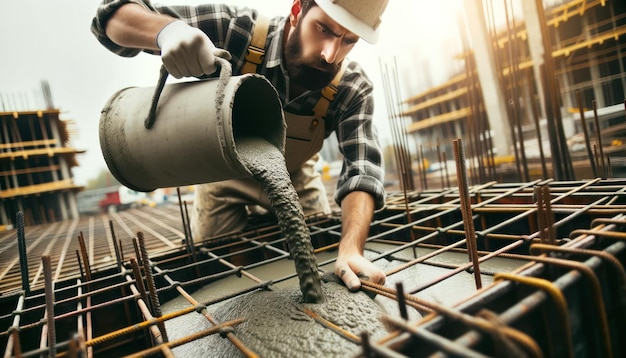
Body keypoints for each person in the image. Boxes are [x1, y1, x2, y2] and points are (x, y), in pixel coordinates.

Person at [91, 0, 388, 291]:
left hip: (294, 177)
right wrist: (167, 31)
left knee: (317, 248)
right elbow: (111, 17)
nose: (329, 54)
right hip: (222, 171)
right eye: (323, 29)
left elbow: (361, 171)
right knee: (214, 268)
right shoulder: (238, 32)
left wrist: (350, 248)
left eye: (348, 40)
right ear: (297, 10)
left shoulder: (352, 87)